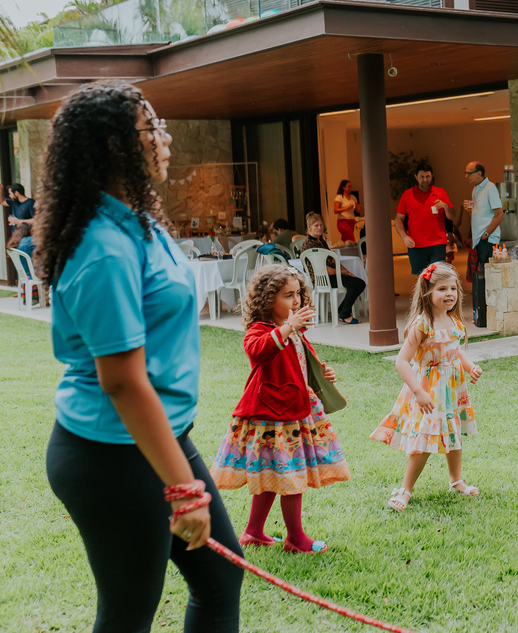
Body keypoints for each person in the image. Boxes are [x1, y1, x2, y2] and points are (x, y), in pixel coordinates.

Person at [39, 82, 243, 630]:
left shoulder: (138, 222)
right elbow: (123, 383)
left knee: (221, 581)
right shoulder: (101, 247)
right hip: (110, 456)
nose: (165, 136)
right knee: (129, 615)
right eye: (151, 128)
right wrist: (183, 491)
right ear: (113, 147)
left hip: (159, 438)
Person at [210, 266, 349, 554]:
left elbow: (297, 363)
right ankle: (296, 539)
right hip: (272, 416)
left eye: (298, 293)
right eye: (288, 295)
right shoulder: (260, 331)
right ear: (267, 299)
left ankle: (252, 532)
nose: (296, 300)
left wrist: (323, 373)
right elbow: (258, 351)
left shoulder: (295, 332)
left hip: (292, 410)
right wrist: (288, 328)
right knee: (291, 474)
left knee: (275, 472)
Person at [370, 261, 482, 511]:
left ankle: (456, 480)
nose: (449, 294)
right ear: (427, 292)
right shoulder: (422, 323)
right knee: (424, 440)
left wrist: (470, 366)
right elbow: (402, 361)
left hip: (451, 389)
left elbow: (454, 352)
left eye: (453, 288)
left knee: (452, 433)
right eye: (442, 289)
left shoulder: (454, 321)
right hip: (429, 391)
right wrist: (419, 392)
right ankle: (405, 489)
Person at [299, 212, 366, 325]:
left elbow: (333, 260)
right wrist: (343, 272)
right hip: (323, 279)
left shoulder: (321, 242)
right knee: (358, 284)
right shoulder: (309, 245)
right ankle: (344, 313)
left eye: (321, 225)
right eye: (316, 225)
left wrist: (346, 272)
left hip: (331, 276)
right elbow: (322, 269)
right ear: (309, 227)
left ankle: (342, 310)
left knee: (357, 282)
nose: (320, 228)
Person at [463, 161, 504, 327]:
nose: (466, 176)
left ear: (479, 173)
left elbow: (499, 214)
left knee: (488, 277)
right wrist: (470, 209)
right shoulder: (476, 189)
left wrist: (486, 235)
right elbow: (482, 213)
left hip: (487, 240)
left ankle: (490, 315)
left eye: (469, 173)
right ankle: (483, 314)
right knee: (481, 277)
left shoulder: (490, 188)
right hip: (479, 240)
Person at [394, 163, 454, 275]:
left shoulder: (440, 192)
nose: (425, 180)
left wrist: (445, 206)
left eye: (428, 177)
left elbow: (451, 216)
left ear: (432, 176)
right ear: (416, 177)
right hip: (416, 244)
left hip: (437, 243)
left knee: (437, 276)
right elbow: (398, 219)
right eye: (422, 177)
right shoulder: (407, 195)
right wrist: (404, 236)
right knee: (422, 278)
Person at [333, 180, 360, 244]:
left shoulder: (353, 197)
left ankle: (343, 253)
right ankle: (354, 252)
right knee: (351, 240)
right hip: (343, 221)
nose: (350, 188)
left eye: (351, 186)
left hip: (351, 221)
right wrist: (347, 208)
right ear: (343, 187)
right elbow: (336, 210)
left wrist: (358, 207)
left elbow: (357, 209)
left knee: (345, 241)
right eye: (349, 186)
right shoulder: (339, 197)